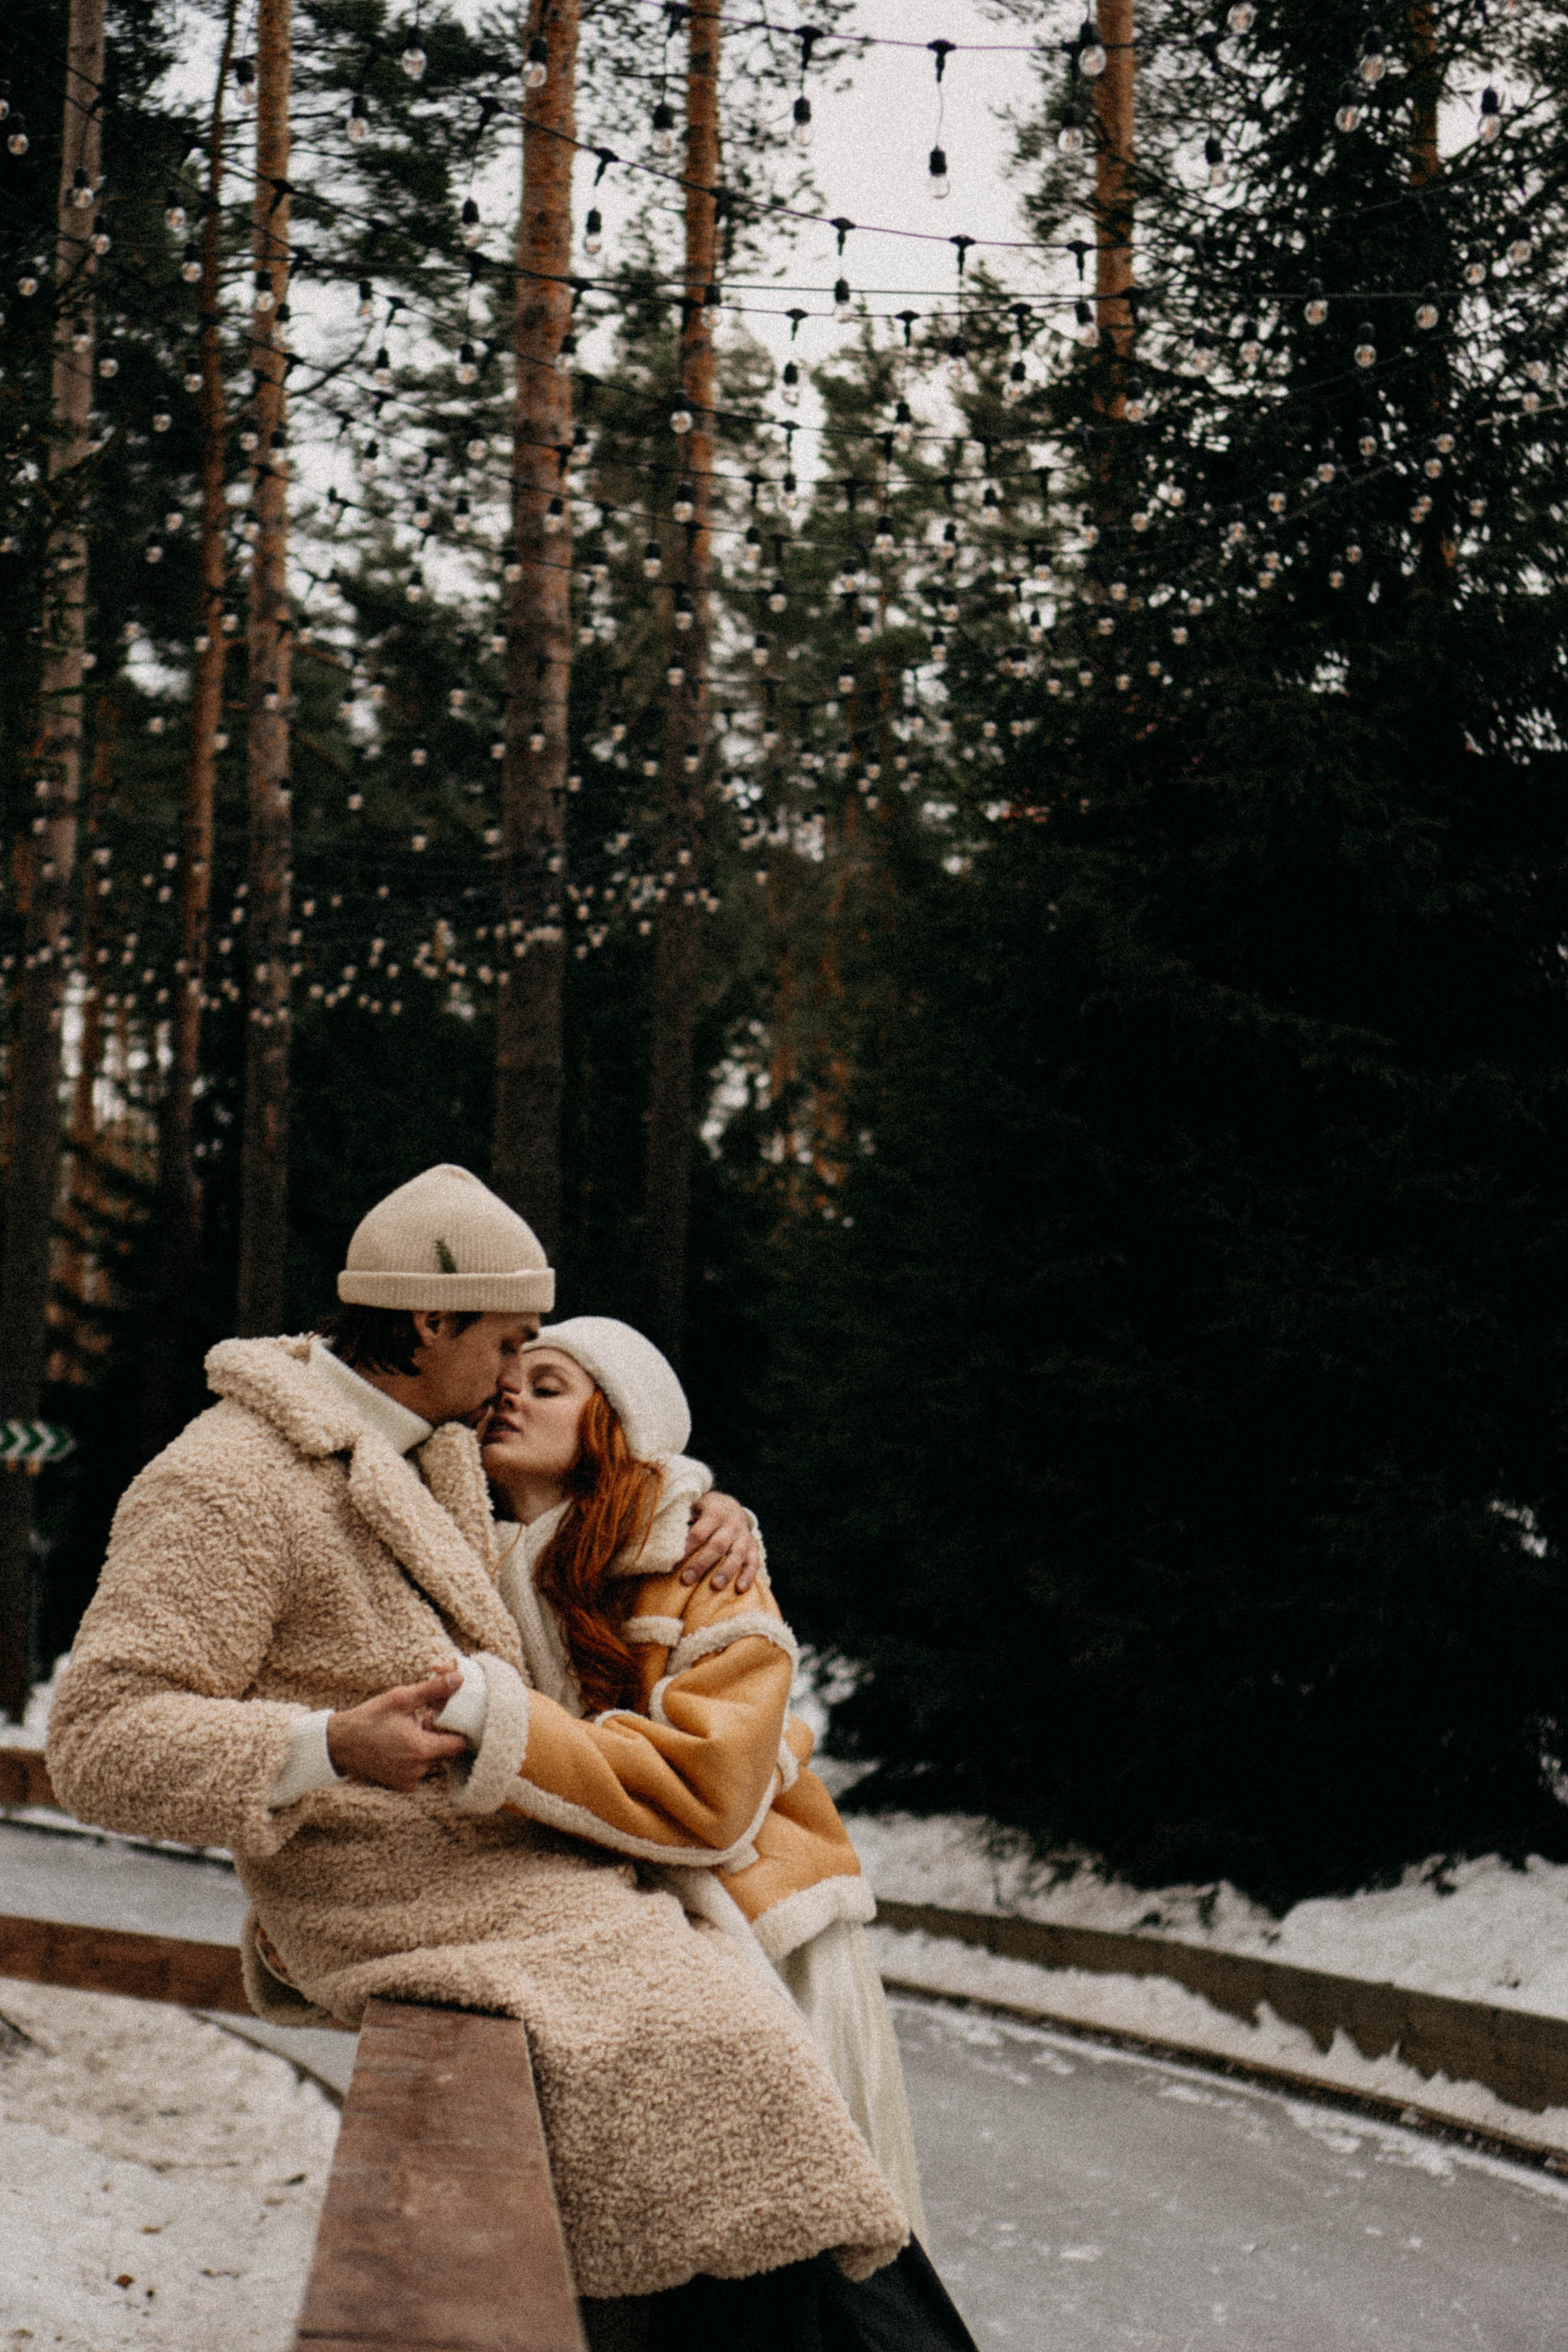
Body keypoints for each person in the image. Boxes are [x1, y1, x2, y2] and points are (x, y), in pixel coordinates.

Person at [45, 1166, 913, 2329]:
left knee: (725, 2074)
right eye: (508, 1343)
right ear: (428, 1320)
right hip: (383, 1888)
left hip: (513, 1876)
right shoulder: (225, 1481)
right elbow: (99, 1738)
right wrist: (326, 1746)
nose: (516, 1378)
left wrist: (711, 1506)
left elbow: (594, 1516)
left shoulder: (440, 1454)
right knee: (703, 2060)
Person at [360, 1314, 977, 2348]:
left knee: (796, 2261)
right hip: (610, 1948)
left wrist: (503, 1727)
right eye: (508, 1369)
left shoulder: (697, 1554)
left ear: (617, 1427)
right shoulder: (460, 1556)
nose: (511, 1390)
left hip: (757, 1939)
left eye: (550, 1383)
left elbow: (713, 1791)